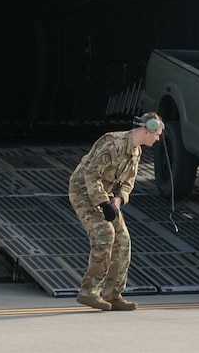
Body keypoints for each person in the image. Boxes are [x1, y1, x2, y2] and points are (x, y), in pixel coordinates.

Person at [68, 113, 164, 311]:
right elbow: (91, 174)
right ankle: (89, 292)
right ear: (147, 130)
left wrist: (118, 200)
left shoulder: (136, 152)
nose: (158, 138)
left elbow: (128, 182)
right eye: (158, 134)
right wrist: (104, 204)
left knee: (123, 240)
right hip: (84, 192)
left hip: (106, 195)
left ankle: (113, 294)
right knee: (105, 234)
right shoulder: (114, 144)